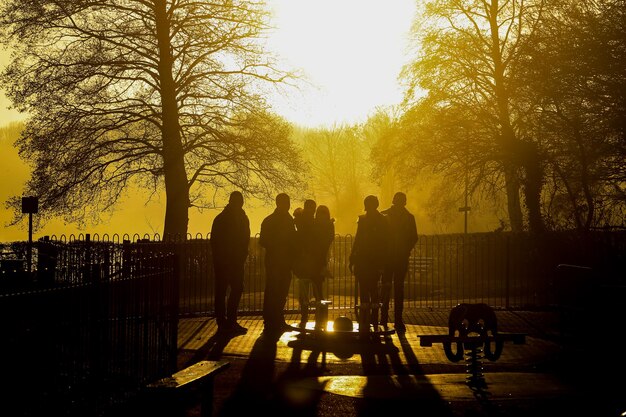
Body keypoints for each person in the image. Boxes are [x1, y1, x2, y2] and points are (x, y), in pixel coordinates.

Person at [210, 191, 251, 334]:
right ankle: (225, 322)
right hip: (227, 261)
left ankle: (228, 321)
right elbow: (217, 242)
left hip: (234, 260)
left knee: (230, 290)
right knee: (225, 290)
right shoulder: (229, 219)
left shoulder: (225, 218)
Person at [349, 195, 389, 332]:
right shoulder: (380, 220)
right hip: (367, 260)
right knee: (369, 288)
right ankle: (370, 317)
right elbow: (358, 239)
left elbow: (359, 239)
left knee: (369, 288)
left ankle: (369, 317)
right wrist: (353, 256)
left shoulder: (369, 220)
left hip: (370, 260)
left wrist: (352, 256)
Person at [259, 192, 297, 335]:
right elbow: (264, 241)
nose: (287, 205)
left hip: (281, 261)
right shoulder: (277, 220)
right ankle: (270, 319)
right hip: (276, 261)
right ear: (279, 203)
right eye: (285, 202)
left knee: (281, 291)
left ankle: (276, 318)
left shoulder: (276, 220)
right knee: (274, 290)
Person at [381, 191, 418, 332]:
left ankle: (391, 318)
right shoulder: (407, 217)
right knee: (390, 287)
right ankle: (389, 318)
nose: (400, 203)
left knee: (394, 288)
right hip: (392, 257)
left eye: (401, 201)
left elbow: (413, 237)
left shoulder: (385, 215)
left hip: (396, 257)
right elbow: (414, 237)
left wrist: (405, 249)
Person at [292, 199, 318, 326]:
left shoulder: (299, 221)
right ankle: (317, 316)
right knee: (317, 291)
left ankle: (304, 316)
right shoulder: (314, 223)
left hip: (302, 262)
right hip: (313, 262)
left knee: (304, 292)